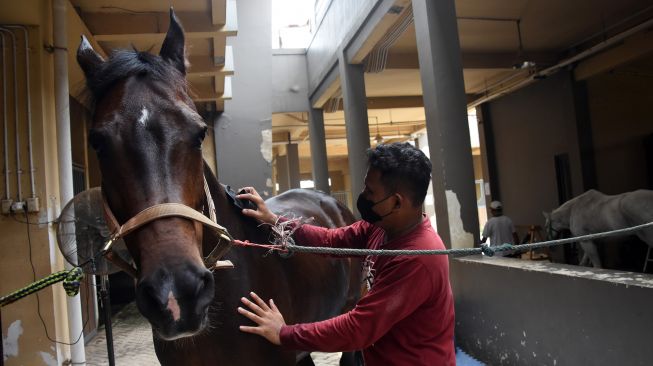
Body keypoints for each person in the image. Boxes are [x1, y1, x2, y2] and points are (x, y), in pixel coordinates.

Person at [234, 142, 455, 366]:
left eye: (370, 192)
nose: (364, 196)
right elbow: (333, 240)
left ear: (397, 202)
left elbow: (358, 329)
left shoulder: (417, 259)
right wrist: (274, 220)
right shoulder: (381, 226)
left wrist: (284, 333)